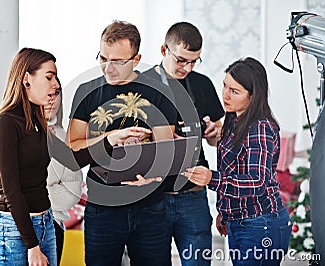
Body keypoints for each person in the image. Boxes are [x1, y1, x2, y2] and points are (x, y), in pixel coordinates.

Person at [0, 47, 152, 266]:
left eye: (56, 77)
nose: (56, 85)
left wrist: (112, 139)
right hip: (16, 231)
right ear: (26, 78)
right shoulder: (6, 124)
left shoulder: (39, 125)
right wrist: (32, 246)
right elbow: (12, 191)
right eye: (49, 77)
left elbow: (74, 159)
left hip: (46, 224)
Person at [67, 21, 177, 265]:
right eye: (103, 58)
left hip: (151, 208)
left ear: (136, 59)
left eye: (118, 61)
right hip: (102, 208)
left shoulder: (159, 91)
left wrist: (155, 174)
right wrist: (108, 139)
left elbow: (167, 148)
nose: (108, 68)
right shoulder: (87, 91)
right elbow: (72, 149)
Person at [185, 57, 292, 265]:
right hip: (241, 221)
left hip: (261, 224)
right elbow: (234, 164)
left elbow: (256, 181)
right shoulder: (234, 120)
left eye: (234, 91)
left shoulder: (260, 127)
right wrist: (225, 214)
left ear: (253, 97)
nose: (225, 95)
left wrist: (211, 179)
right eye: (225, 86)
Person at [144, 22, 224, 265]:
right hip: (151, 197)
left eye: (194, 61)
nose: (187, 68)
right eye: (181, 60)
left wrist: (213, 133)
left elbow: (217, 136)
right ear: (163, 50)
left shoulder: (202, 84)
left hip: (193, 196)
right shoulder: (141, 85)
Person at [44, 79, 83, 265]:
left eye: (56, 94)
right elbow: (9, 189)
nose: (51, 100)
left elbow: (72, 192)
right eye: (46, 93)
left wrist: (34, 195)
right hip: (16, 228)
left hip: (54, 227)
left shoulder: (64, 138)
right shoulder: (14, 132)